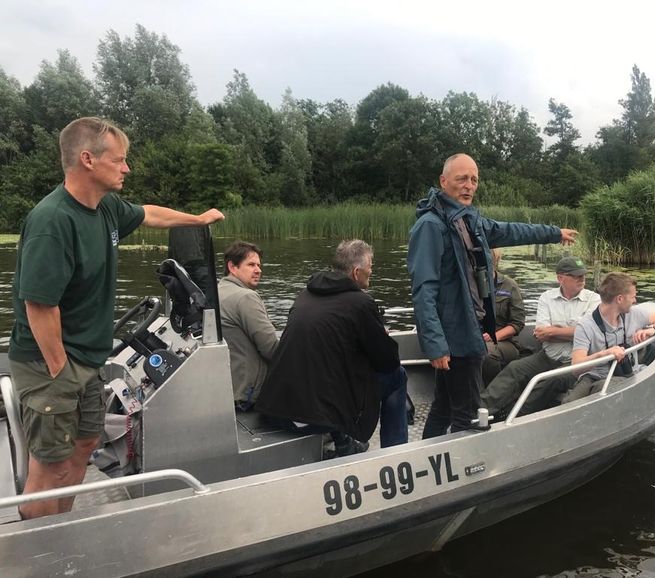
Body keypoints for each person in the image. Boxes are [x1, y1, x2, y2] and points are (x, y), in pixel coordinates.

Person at [8, 116, 224, 519]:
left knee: (85, 445)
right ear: (88, 159)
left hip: (86, 360)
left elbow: (149, 215)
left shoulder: (104, 208)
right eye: (119, 160)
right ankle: (36, 555)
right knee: (51, 468)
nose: (127, 168)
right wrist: (60, 373)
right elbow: (39, 306)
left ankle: (61, 530)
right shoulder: (53, 221)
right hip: (49, 364)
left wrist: (196, 220)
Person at [407, 153, 578, 438]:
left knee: (445, 404)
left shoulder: (469, 221)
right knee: (468, 414)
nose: (468, 185)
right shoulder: (431, 226)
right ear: (443, 180)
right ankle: (465, 468)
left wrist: (553, 233)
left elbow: (511, 231)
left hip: (470, 329)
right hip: (457, 336)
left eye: (473, 180)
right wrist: (435, 345)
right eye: (461, 178)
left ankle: (429, 453)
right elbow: (424, 290)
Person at [255, 240, 407, 455]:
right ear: (356, 272)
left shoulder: (305, 296)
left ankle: (343, 439)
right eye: (370, 265)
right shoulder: (360, 303)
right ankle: (396, 453)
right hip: (314, 418)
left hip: (276, 409)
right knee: (397, 376)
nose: (372, 270)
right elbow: (388, 361)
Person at [480, 256, 600, 419]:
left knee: (546, 382)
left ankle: (513, 418)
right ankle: (480, 412)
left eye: (583, 275)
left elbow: (587, 333)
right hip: (547, 355)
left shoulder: (593, 299)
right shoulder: (547, 297)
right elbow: (541, 334)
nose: (582, 279)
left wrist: (555, 332)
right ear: (560, 278)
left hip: (574, 361)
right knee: (514, 369)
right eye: (576, 275)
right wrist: (571, 331)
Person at [562, 272, 655, 403]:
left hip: (623, 374)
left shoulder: (634, 313)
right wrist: (604, 354)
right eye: (633, 297)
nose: (635, 301)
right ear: (620, 299)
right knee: (570, 402)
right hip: (593, 376)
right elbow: (576, 368)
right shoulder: (585, 325)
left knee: (601, 390)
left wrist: (651, 330)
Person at [218, 241, 279, 411]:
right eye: (251, 264)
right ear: (232, 266)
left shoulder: (216, 292)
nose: (258, 270)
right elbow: (271, 349)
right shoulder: (246, 297)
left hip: (229, 389)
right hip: (250, 394)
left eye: (259, 265)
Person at [481, 248, 526, 385]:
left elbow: (517, 323)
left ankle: (492, 396)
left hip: (504, 342)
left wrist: (493, 336)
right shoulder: (468, 286)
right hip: (473, 339)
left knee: (486, 353)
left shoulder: (509, 285)